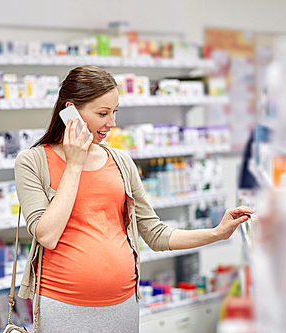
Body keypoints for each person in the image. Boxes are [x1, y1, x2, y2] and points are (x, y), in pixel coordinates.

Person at [14, 65, 253, 333]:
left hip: (123, 303)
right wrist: (74, 165)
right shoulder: (32, 161)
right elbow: (46, 235)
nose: (112, 123)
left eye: (115, 111)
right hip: (64, 305)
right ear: (70, 111)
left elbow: (155, 233)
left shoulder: (121, 162)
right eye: (103, 113)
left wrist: (217, 234)